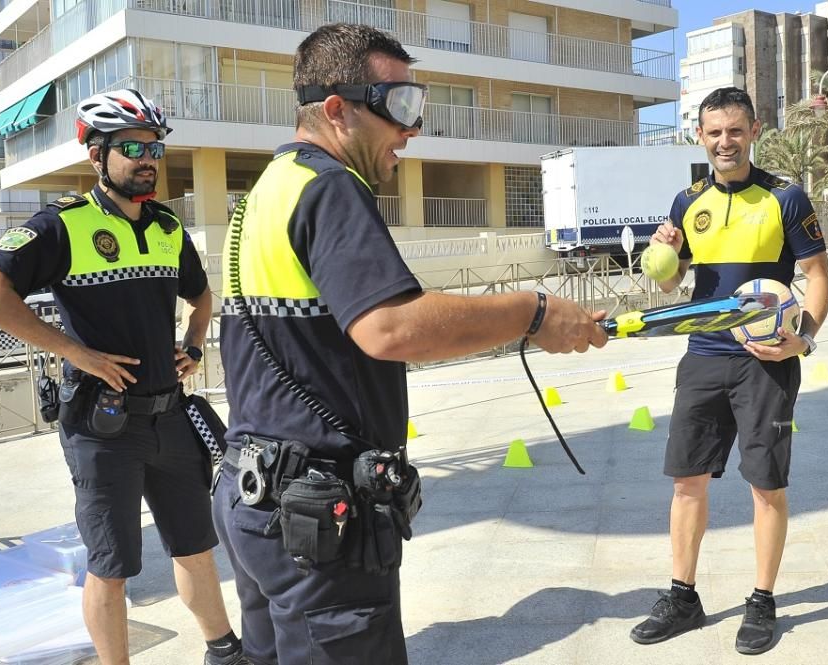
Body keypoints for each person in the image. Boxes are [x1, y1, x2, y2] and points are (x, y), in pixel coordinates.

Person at [214, 23, 608, 665]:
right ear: (337, 111)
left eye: (416, 105)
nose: (412, 128)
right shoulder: (330, 188)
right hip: (315, 521)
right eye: (398, 106)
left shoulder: (266, 189)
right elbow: (389, 327)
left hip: (256, 500)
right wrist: (532, 313)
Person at [0, 90, 248, 665]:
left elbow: (202, 298)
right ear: (97, 155)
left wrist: (193, 346)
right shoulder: (62, 226)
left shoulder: (168, 226)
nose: (148, 158)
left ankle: (224, 652)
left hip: (170, 417)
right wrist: (78, 353)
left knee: (196, 549)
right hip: (102, 428)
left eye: (155, 148)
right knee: (112, 566)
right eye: (132, 148)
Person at [629, 87, 828, 655]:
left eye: (735, 130)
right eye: (714, 132)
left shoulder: (785, 198)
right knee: (686, 481)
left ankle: (762, 601)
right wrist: (662, 249)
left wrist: (804, 340)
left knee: (766, 485)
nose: (725, 141)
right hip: (703, 359)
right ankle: (682, 596)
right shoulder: (686, 202)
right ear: (700, 135)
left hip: (765, 363)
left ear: (754, 130)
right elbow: (670, 283)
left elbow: (817, 275)